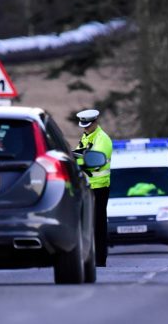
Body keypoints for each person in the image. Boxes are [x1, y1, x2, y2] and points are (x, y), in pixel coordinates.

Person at [75, 109, 113, 266]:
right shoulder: (86, 136)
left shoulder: (102, 139)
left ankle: (100, 259)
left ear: (95, 122)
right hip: (88, 186)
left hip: (99, 186)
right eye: (83, 126)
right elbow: (78, 154)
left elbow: (93, 162)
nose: (84, 128)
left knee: (98, 224)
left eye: (87, 126)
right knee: (88, 224)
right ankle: (90, 257)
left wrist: (75, 161)